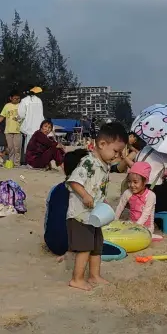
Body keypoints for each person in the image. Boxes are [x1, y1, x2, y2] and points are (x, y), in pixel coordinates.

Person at [65, 122, 128, 291]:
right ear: (102, 144)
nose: (117, 156)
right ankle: (77, 279)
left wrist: (102, 201)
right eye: (115, 151)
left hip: (94, 215)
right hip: (80, 215)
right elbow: (74, 181)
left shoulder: (104, 165)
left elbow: (97, 187)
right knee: (84, 248)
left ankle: (94, 275)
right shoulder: (88, 162)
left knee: (96, 247)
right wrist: (85, 195)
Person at [44, 149, 90, 263]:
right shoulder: (84, 193)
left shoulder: (54, 189)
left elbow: (47, 219)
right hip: (72, 245)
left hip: (51, 242)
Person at [114, 162, 157, 231]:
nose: (131, 185)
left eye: (135, 182)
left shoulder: (150, 196)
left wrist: (135, 227)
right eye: (129, 181)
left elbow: (145, 215)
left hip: (146, 228)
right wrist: (114, 221)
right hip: (132, 224)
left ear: (145, 181)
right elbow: (120, 207)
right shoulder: (128, 193)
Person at [0, 89, 23, 166]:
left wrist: (19, 118)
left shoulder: (22, 106)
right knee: (10, 147)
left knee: (17, 148)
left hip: (18, 130)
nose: (17, 100)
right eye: (15, 98)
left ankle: (17, 163)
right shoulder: (7, 106)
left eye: (18, 98)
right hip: (8, 130)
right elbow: (2, 116)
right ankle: (11, 162)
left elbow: (25, 116)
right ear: (10, 98)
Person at [18, 86, 45, 158]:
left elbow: (21, 114)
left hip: (29, 126)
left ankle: (29, 161)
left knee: (29, 145)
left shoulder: (24, 100)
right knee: (38, 146)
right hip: (39, 126)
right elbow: (41, 114)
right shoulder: (39, 100)